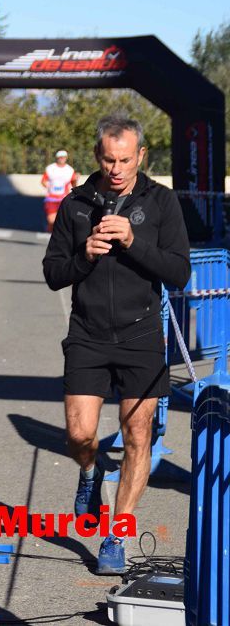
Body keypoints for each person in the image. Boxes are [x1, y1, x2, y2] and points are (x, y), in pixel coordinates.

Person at [42, 115, 190, 575]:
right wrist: (84, 256)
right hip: (86, 334)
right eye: (109, 159)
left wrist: (132, 241)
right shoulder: (76, 205)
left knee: (138, 435)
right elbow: (52, 274)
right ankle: (90, 473)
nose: (117, 168)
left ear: (141, 156)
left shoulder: (162, 203)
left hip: (142, 335)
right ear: (97, 157)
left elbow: (179, 272)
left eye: (125, 159)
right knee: (80, 435)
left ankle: (117, 534)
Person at [42, 150, 78, 233]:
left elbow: (74, 185)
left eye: (64, 157)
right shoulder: (50, 168)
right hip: (51, 198)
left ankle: (59, 237)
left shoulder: (70, 170)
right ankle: (51, 232)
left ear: (66, 158)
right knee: (51, 221)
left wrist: (76, 180)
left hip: (64, 199)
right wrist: (48, 186)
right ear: (57, 158)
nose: (62, 159)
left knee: (64, 221)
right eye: (60, 157)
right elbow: (43, 181)